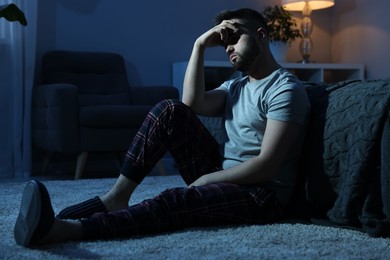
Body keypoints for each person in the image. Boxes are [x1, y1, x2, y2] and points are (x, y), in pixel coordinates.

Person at [14, 8, 310, 247]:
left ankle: (65, 231)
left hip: (260, 196)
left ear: (260, 35)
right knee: (169, 109)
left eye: (235, 38)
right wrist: (199, 45)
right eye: (224, 42)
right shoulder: (237, 85)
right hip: (224, 174)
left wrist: (207, 181)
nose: (229, 47)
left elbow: (267, 166)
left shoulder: (284, 89)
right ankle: (117, 196)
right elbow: (190, 104)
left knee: (175, 201)